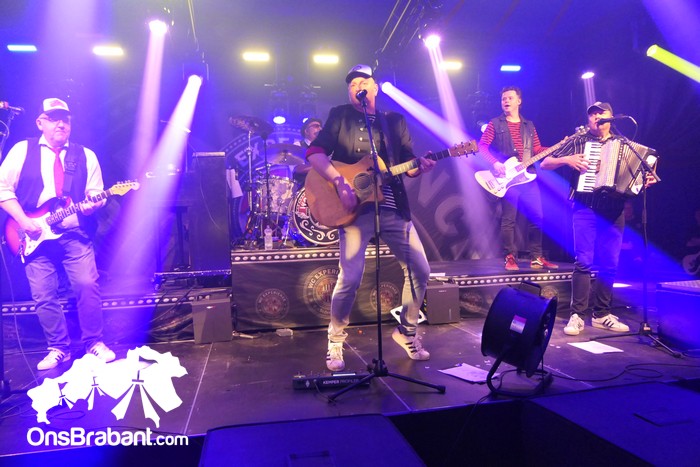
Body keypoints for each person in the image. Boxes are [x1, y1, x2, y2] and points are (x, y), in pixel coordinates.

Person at [306, 64, 435, 371]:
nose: (357, 87)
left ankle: (407, 332)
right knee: (350, 277)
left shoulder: (394, 121)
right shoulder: (340, 115)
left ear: (375, 88)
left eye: (363, 82)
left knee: (420, 269)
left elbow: (408, 163)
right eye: (352, 84)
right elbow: (315, 153)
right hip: (354, 211)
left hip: (393, 205)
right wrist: (341, 182)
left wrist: (419, 167)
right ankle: (335, 340)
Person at [0, 98, 115, 370]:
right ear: (40, 123)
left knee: (87, 284)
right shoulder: (22, 150)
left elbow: (95, 194)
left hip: (75, 234)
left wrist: (94, 204)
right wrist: (23, 221)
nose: (61, 124)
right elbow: (3, 189)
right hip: (32, 235)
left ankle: (94, 342)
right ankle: (58, 348)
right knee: (43, 294)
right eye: (53, 118)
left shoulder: (85, 155)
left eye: (65, 119)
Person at [540, 101, 658, 335]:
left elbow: (649, 163)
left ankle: (601, 314)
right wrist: (567, 160)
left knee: (609, 263)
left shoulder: (623, 143)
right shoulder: (578, 140)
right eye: (592, 114)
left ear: (610, 118)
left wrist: (650, 176)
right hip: (585, 207)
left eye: (600, 113)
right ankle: (577, 315)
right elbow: (545, 163)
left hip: (614, 210)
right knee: (584, 261)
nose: (596, 117)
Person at [477, 86, 558, 271]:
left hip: (527, 177)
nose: (506, 101)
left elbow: (536, 149)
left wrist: (556, 147)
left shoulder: (529, 125)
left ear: (519, 101)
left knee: (537, 217)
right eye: (503, 99)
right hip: (508, 178)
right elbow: (482, 147)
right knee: (509, 219)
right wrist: (495, 163)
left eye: (510, 98)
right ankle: (510, 257)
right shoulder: (495, 124)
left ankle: (536, 257)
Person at [293, 118, 323, 185]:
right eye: (316, 126)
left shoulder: (324, 148)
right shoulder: (298, 145)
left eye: (320, 126)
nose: (320, 129)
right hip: (303, 185)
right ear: (306, 131)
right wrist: (322, 168)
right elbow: (298, 168)